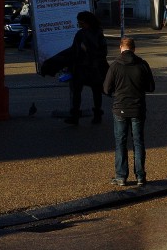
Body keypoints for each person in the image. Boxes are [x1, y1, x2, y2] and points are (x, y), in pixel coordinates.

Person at [103, 35, 156, 187]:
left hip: (120, 108)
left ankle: (121, 176)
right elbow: (151, 87)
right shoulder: (142, 65)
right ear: (134, 49)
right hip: (138, 108)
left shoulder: (115, 66)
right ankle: (140, 176)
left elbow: (106, 89)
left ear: (121, 48)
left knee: (121, 143)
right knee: (138, 142)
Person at [63, 11, 109, 125]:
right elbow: (74, 50)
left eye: (82, 23)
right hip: (83, 67)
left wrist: (87, 50)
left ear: (88, 22)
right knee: (78, 91)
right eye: (79, 23)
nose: (80, 25)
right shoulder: (82, 33)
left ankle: (95, 115)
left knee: (95, 91)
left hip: (92, 67)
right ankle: (76, 116)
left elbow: (102, 52)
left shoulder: (96, 34)